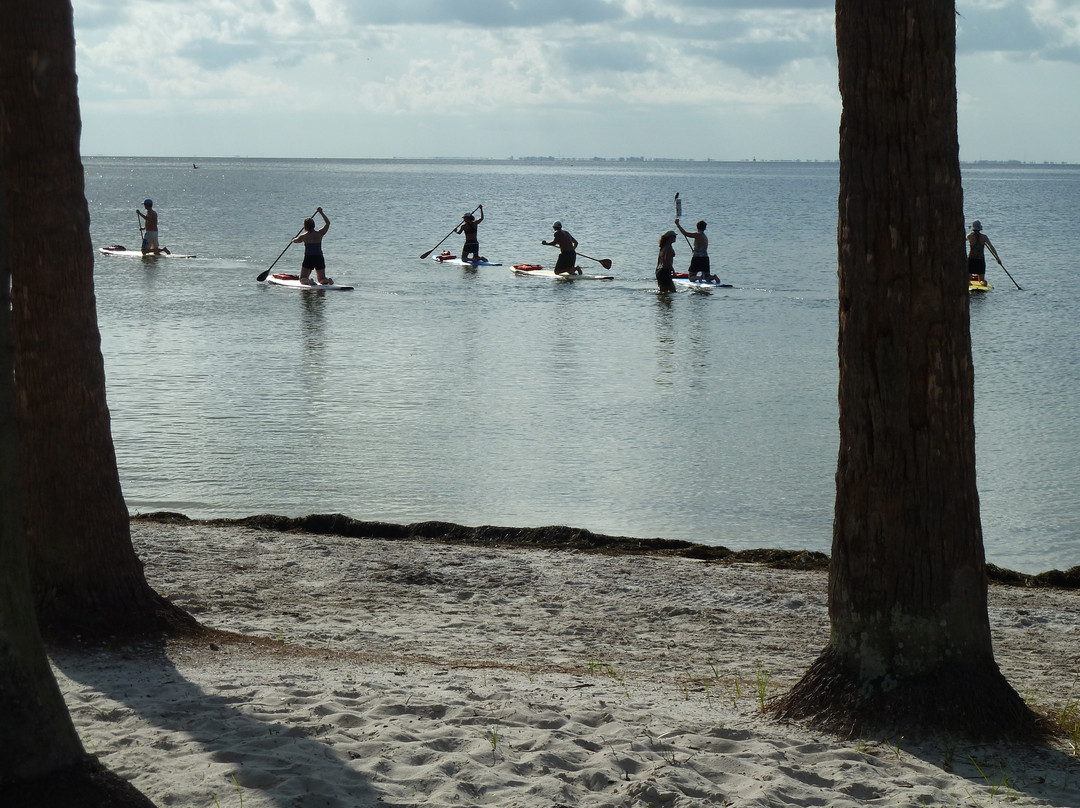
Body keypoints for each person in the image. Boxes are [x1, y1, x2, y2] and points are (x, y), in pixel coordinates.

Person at [292, 207, 333, 285]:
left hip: (309, 258)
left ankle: (308, 281)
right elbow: (328, 223)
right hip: (319, 257)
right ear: (314, 225)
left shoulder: (303, 236)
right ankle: (327, 280)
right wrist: (321, 212)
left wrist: (293, 239)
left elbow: (296, 241)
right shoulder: (320, 233)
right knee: (321, 279)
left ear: (305, 227)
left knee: (302, 278)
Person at [675, 218, 719, 283]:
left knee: (691, 277)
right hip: (705, 258)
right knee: (707, 277)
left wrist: (678, 224)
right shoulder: (705, 236)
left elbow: (685, 233)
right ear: (704, 228)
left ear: (697, 227)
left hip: (697, 258)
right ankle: (714, 277)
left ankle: (697, 278)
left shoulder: (697, 235)